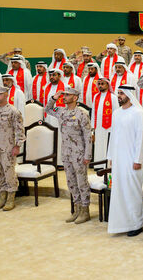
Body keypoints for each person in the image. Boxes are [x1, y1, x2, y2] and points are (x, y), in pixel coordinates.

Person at [45, 87, 93, 224]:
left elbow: (88, 136)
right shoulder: (61, 111)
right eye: (64, 94)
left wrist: (87, 155)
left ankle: (85, 210)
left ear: (75, 97)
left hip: (79, 153)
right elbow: (48, 109)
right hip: (66, 153)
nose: (64, 97)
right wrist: (55, 97)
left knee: (81, 181)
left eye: (67, 95)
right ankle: (76, 209)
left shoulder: (82, 114)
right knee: (71, 181)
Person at [107, 85, 143, 237]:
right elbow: (113, 136)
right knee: (120, 192)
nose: (119, 96)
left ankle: (136, 224)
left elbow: (141, 138)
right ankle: (122, 223)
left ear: (129, 95)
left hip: (133, 161)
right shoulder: (117, 113)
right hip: (119, 160)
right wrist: (111, 157)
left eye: (121, 93)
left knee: (132, 193)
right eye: (118, 93)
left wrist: (138, 159)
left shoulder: (138, 113)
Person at [91, 78, 119, 164]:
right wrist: (92, 129)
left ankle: (106, 165)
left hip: (109, 127)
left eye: (102, 84)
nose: (100, 86)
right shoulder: (96, 96)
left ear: (108, 85)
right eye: (99, 84)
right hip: (98, 127)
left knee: (107, 145)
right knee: (98, 145)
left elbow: (116, 113)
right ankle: (98, 165)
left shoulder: (113, 97)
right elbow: (93, 113)